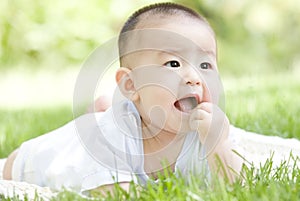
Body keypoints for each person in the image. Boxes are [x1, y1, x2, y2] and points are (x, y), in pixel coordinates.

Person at [2, 2, 243, 195]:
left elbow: (235, 188)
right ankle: (99, 114)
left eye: (205, 64)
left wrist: (219, 146)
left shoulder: (210, 131)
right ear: (131, 85)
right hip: (34, 161)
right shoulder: (113, 134)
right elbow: (113, 192)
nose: (194, 77)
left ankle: (102, 107)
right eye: (173, 63)